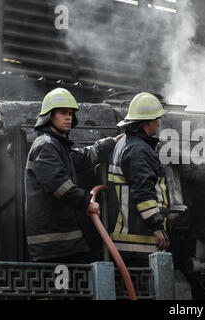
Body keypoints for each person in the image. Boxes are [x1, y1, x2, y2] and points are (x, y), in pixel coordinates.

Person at [25, 88, 123, 264]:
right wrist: (86, 202)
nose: (68, 117)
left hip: (64, 243)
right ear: (49, 116)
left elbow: (82, 157)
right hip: (53, 245)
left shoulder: (58, 146)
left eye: (70, 113)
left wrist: (110, 143)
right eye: (63, 113)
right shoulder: (45, 145)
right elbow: (57, 184)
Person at [107, 92, 170, 267]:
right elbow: (143, 192)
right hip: (138, 238)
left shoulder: (125, 144)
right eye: (157, 119)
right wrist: (157, 227)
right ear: (148, 122)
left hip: (127, 237)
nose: (159, 123)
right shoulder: (139, 150)